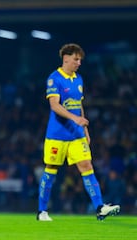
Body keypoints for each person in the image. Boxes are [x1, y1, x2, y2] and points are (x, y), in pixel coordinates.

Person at [37, 43, 121, 221]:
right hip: (57, 135)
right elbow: (54, 105)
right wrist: (75, 119)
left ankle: (99, 207)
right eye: (76, 59)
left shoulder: (78, 79)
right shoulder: (54, 79)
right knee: (51, 169)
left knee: (87, 166)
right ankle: (42, 211)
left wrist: (85, 129)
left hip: (76, 135)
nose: (79, 63)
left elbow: (79, 105)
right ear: (65, 59)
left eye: (80, 60)